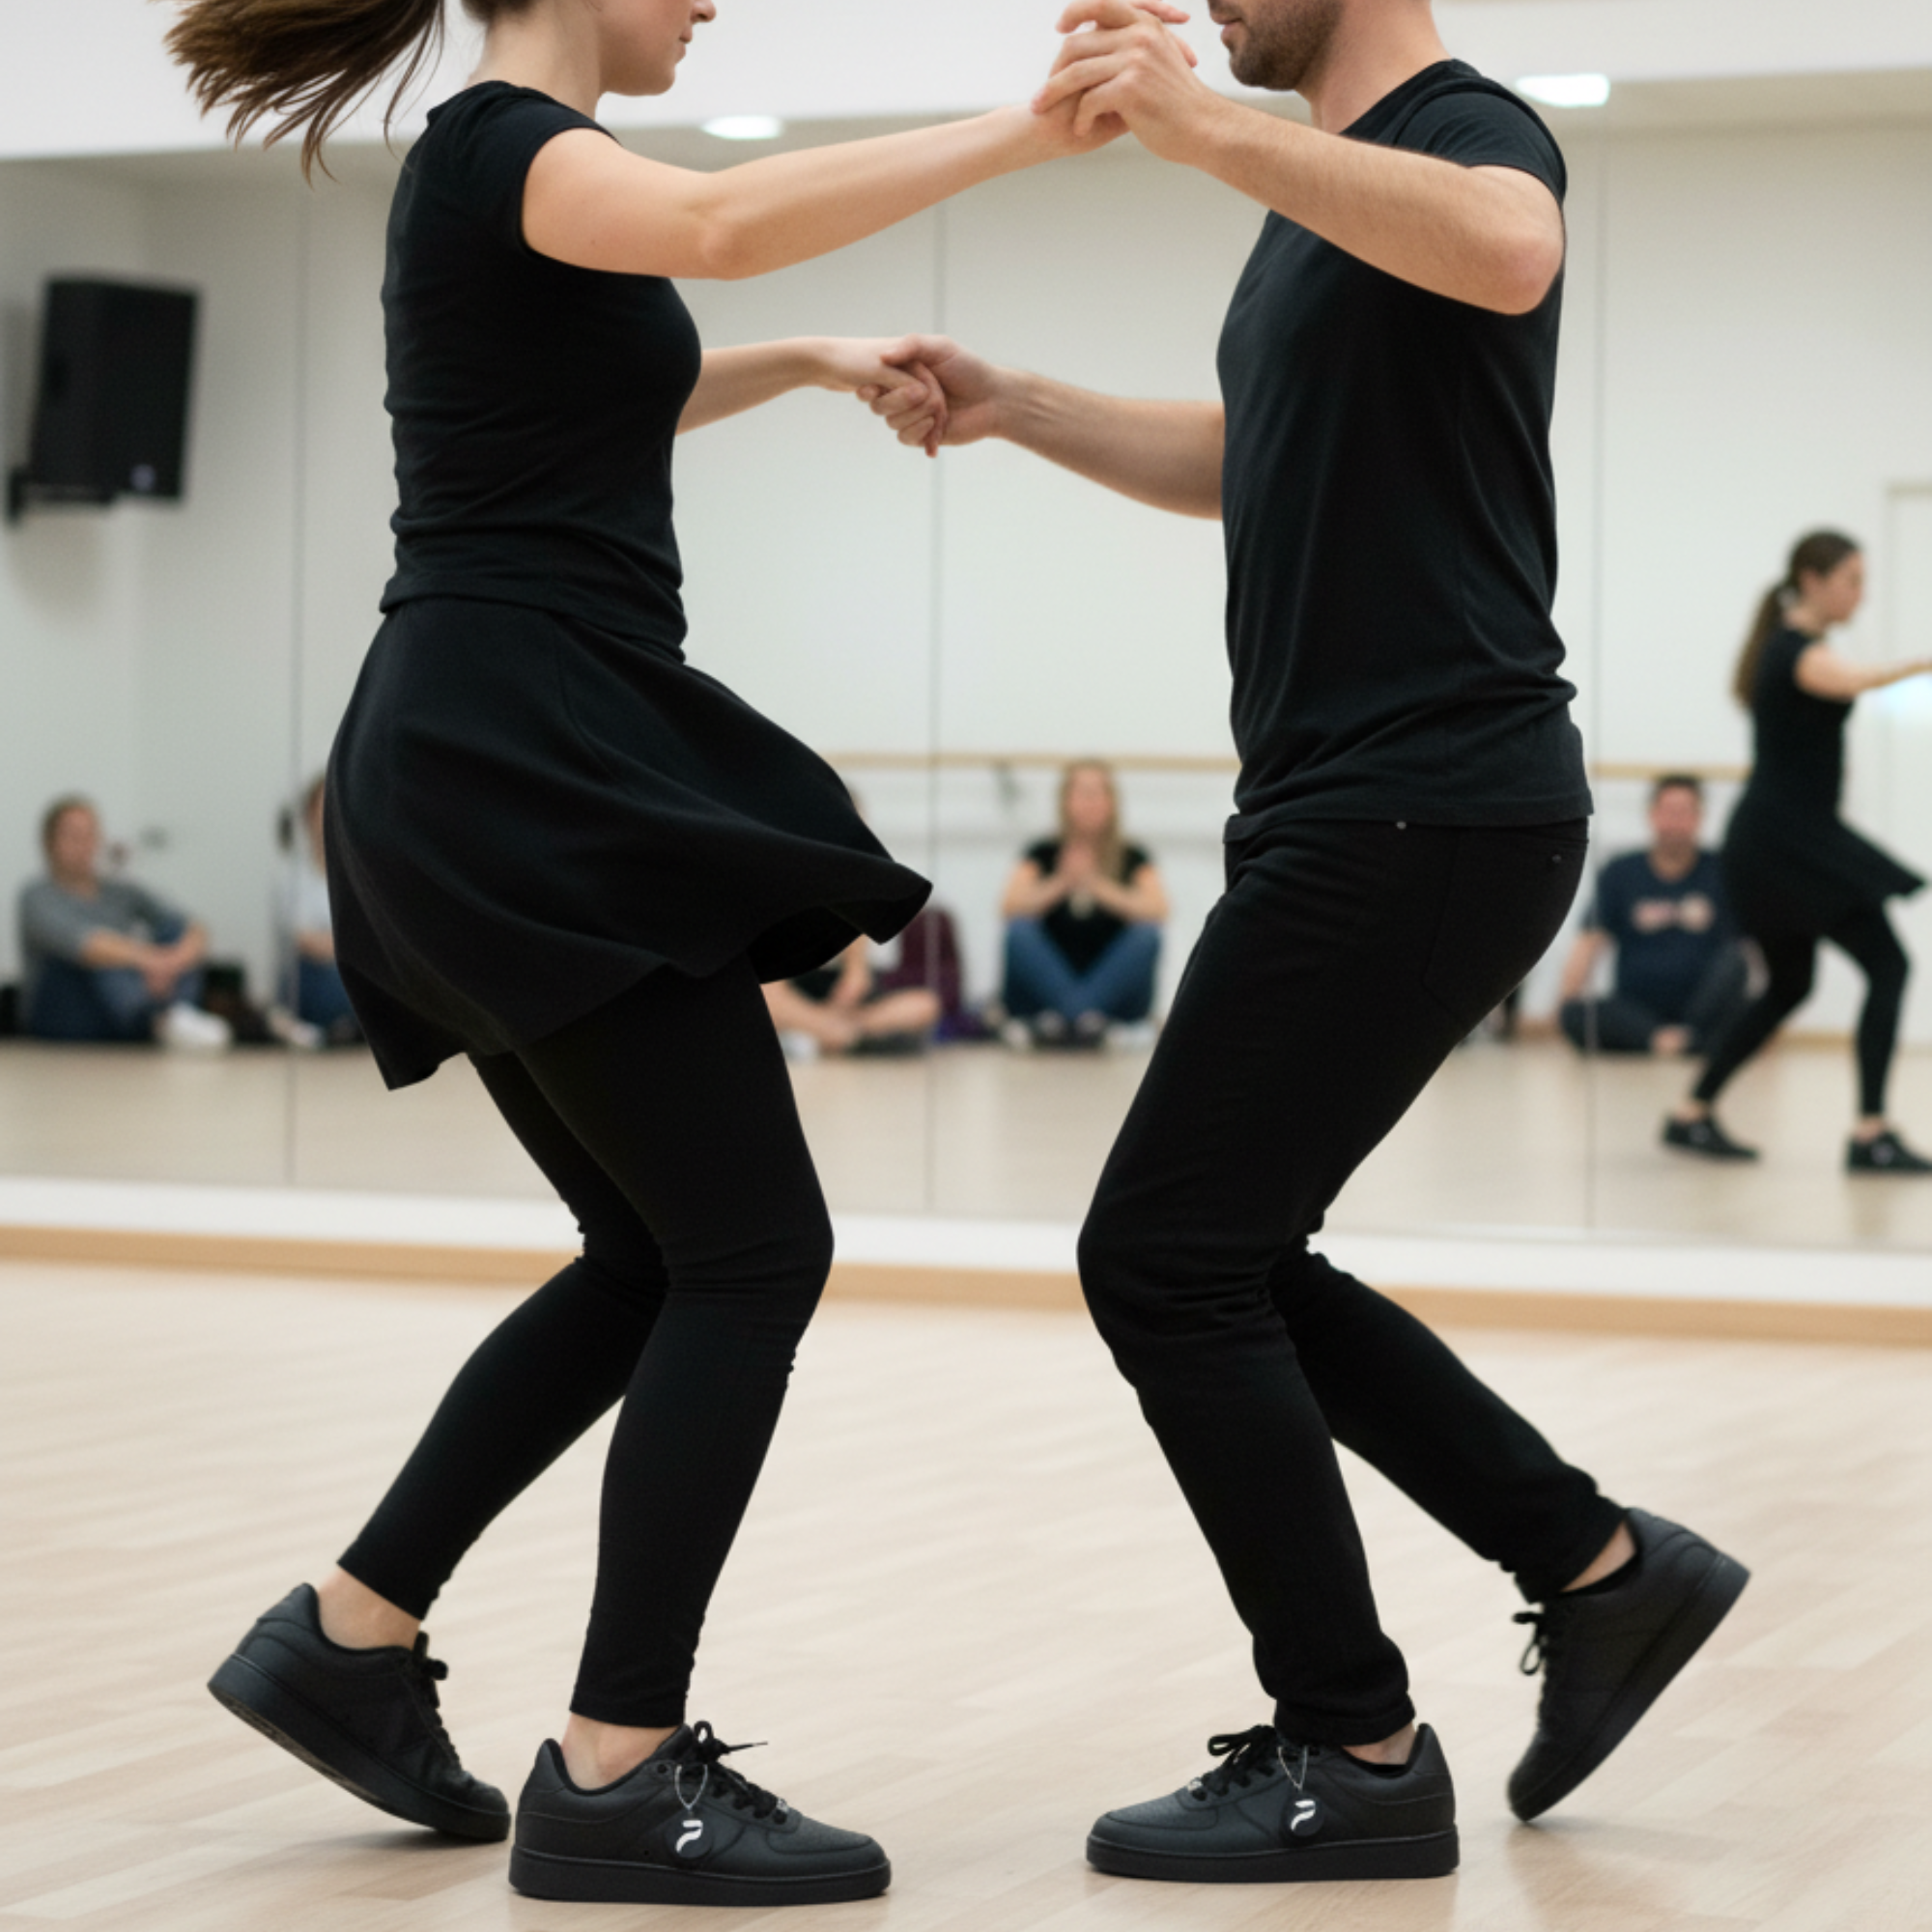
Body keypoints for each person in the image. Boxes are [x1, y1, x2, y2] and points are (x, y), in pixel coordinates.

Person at [168, 0, 1182, 1907]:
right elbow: (718, 226)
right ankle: (618, 1765)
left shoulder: (508, 180)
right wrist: (1024, 131)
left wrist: (797, 365)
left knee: (656, 1251)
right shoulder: (505, 149)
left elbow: (601, 374)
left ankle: (351, 1632)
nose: (709, 0)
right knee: (751, 1248)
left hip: (487, 745)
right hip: (518, 751)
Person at [870, 0, 1747, 1887]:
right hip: (1367, 801)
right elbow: (1247, 454)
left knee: (1164, 1258)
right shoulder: (1305, 211)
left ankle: (1354, 1742)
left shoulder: (1465, 130)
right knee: (1227, 1252)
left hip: (1426, 793)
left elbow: (1511, 241)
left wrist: (1193, 129)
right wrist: (1019, 403)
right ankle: (1598, 1568)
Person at [1665, 532, 1932, 1170]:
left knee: (1789, 985)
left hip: (1776, 840)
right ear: (1812, 581)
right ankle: (1870, 1134)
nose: (1859, 594)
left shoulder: (1793, 648)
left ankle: (1690, 1113)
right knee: (1888, 967)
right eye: (1851, 580)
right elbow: (1856, 679)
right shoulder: (1797, 652)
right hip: (1785, 843)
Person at [16, 796, 232, 1049]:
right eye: (72, 835)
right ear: (49, 843)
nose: (82, 844)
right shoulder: (36, 896)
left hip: (127, 993)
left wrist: (173, 961)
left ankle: (175, 1017)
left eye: (89, 835)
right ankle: (157, 1021)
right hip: (65, 1006)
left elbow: (195, 928)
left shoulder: (120, 890)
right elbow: (86, 945)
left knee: (173, 930)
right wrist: (149, 960)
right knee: (104, 952)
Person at [1557, 774, 1748, 1058]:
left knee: (1736, 971)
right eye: (1668, 811)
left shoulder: (1723, 871)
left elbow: (1745, 951)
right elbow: (1590, 941)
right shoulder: (1621, 871)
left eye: (1685, 812)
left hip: (1704, 1007)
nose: (1676, 821)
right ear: (1652, 814)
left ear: (1700, 817)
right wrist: (1566, 1003)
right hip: (1637, 1009)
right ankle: (1673, 1042)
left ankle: (1681, 1038)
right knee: (1575, 1014)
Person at [1000, 759, 1167, 1045]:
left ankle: (1069, 1020)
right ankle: (1084, 1019)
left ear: (1112, 801)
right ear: (1065, 800)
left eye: (1098, 792)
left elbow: (1158, 909)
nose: (1090, 802)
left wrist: (1096, 884)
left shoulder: (1133, 855)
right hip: (1048, 994)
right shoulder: (1042, 852)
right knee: (1019, 931)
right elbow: (1010, 906)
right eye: (1082, 792)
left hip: (1111, 996)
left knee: (1147, 935)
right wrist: (1062, 882)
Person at [277, 775, 361, 1044]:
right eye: (322, 806)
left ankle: (347, 1027)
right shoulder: (290, 876)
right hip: (313, 973)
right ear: (307, 815)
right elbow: (304, 940)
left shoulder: (360, 874)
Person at [763, 934, 941, 1057]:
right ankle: (832, 1033)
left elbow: (857, 982)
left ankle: (827, 1034)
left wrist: (854, 973)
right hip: (796, 985)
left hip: (847, 1001)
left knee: (925, 1005)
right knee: (764, 999)